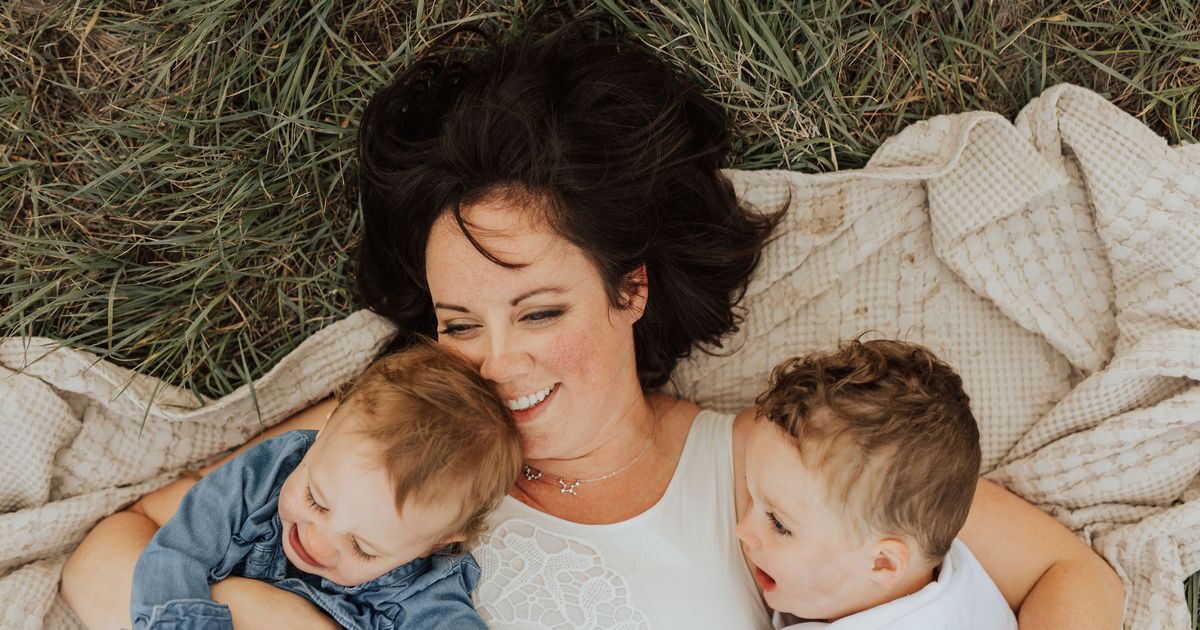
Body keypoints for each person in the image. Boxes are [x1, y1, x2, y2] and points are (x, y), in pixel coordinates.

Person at [61, 17, 1124, 630]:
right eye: (459, 322)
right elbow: (111, 554)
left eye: (539, 309)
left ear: (630, 289)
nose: (495, 363)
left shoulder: (765, 467)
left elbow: (1070, 577)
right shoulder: (390, 443)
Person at [129, 344, 521, 630]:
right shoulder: (265, 474)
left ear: (435, 543)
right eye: (315, 500)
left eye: (364, 548)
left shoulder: (422, 591)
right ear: (323, 432)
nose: (316, 542)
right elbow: (179, 553)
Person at [739, 339, 1015, 629]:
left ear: (883, 563)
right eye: (750, 494)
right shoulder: (964, 578)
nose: (742, 531)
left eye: (779, 524)